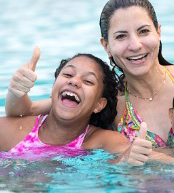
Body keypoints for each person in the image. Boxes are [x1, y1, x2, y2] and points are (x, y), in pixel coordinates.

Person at [5, 0, 174, 148]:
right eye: (121, 36)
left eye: (143, 31)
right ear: (107, 46)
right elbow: (24, 111)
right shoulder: (109, 101)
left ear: (158, 32)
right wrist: (17, 90)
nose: (135, 45)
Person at [1, 53, 131, 160]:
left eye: (88, 81)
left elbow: (130, 161)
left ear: (99, 104)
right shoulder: (10, 131)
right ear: (53, 88)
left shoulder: (104, 142)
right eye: (68, 74)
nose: (74, 81)